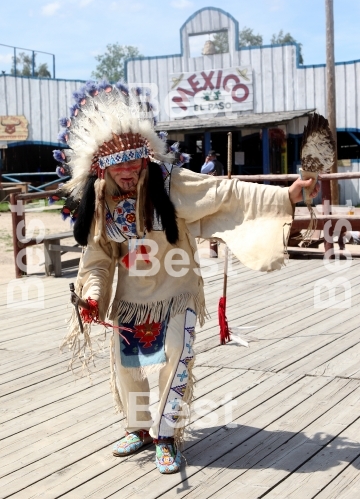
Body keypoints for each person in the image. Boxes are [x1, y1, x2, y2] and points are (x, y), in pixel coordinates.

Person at [55, 81, 319, 475]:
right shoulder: (100, 201)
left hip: (177, 293)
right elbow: (97, 258)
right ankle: (138, 428)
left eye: (134, 161)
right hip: (129, 298)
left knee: (174, 357)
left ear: (146, 158)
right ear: (101, 167)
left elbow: (225, 193)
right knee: (126, 366)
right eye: (119, 165)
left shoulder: (172, 183)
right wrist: (92, 295)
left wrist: (284, 196)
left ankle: (166, 436)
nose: (128, 171)